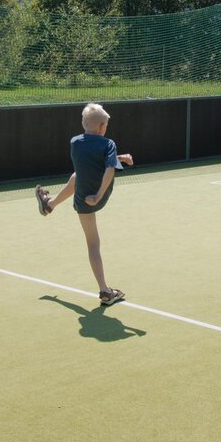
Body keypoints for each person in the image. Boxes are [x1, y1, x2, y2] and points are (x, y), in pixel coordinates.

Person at [35, 103, 134, 306]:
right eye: (105, 124)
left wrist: (120, 158)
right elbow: (108, 170)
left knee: (78, 174)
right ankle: (105, 291)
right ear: (101, 127)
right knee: (93, 244)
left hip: (82, 199)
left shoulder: (75, 142)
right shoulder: (108, 144)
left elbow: (92, 158)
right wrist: (98, 195)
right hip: (96, 197)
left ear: (83, 123)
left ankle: (49, 205)